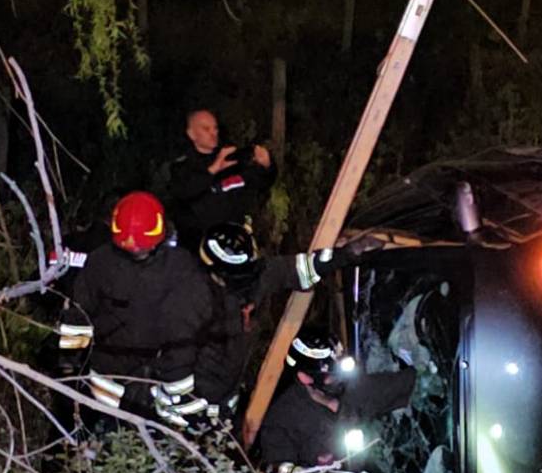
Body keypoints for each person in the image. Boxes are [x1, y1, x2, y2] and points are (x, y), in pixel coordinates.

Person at [149, 221, 384, 433]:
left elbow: (297, 269)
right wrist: (194, 413)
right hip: (179, 417)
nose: (244, 283)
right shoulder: (188, 302)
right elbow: (175, 365)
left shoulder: (250, 278)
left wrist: (346, 255)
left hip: (221, 403)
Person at [57, 191, 213, 427]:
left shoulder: (179, 268)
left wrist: (70, 363)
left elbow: (190, 324)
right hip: (113, 374)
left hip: (151, 376)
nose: (136, 249)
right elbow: (78, 316)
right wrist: (70, 364)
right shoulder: (102, 263)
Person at [259, 327, 416, 473]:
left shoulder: (355, 391)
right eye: (333, 376)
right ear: (305, 378)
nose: (341, 380)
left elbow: (407, 384)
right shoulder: (282, 420)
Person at [167, 109, 276, 248]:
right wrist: (212, 170)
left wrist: (266, 166)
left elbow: (261, 183)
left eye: (215, 128)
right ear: (191, 134)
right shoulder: (181, 168)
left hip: (233, 245)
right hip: (197, 249)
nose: (213, 133)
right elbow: (183, 192)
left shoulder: (232, 159)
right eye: (206, 129)